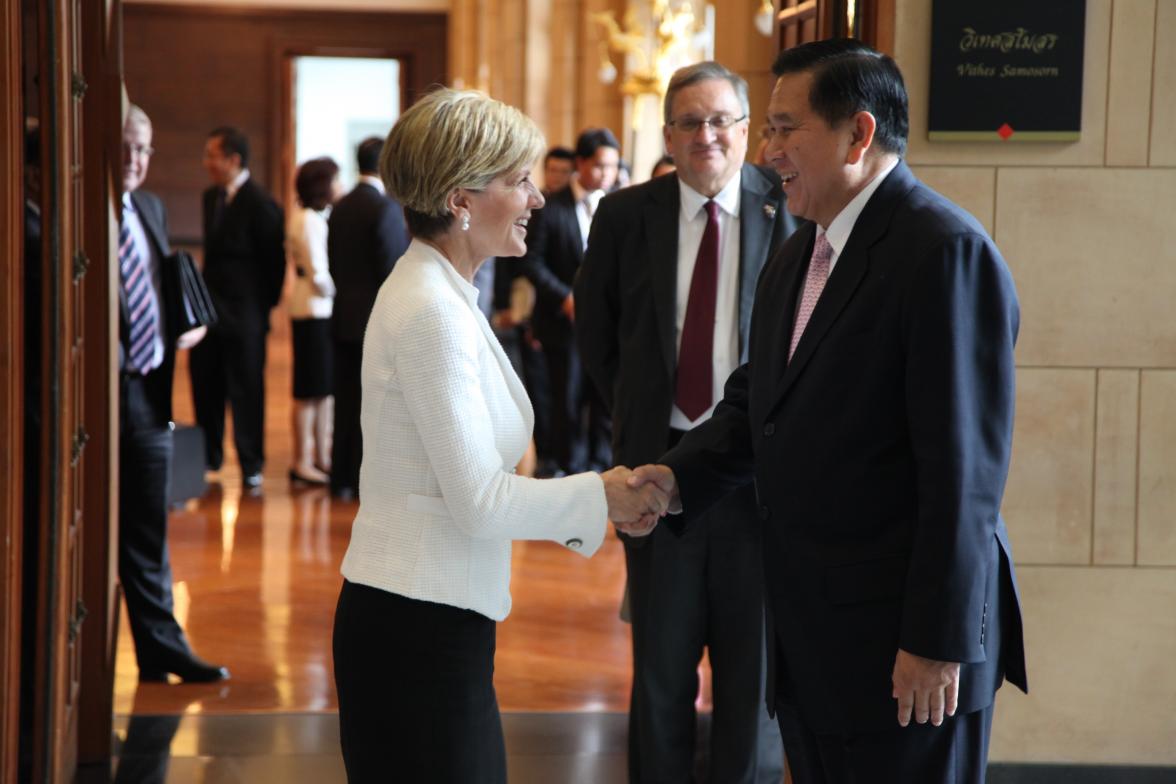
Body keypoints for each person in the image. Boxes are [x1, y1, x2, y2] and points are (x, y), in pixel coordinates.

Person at [631, 39, 1028, 783]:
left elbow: (964, 473)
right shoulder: (804, 247)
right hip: (817, 639)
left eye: (785, 129)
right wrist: (670, 480)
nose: (767, 151)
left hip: (904, 650)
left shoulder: (942, 252)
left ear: (860, 133)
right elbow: (759, 405)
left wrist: (935, 641)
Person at [331, 88, 667, 784]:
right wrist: (599, 497)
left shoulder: (447, 289)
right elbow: (478, 500)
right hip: (415, 624)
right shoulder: (431, 310)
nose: (537, 199)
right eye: (519, 181)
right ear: (460, 199)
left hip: (435, 613)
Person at [577, 61, 796, 784]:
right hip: (657, 476)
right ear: (668, 135)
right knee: (662, 670)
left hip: (759, 478)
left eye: (722, 120)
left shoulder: (790, 207)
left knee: (752, 673)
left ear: (747, 131)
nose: (707, 135)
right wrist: (640, 421)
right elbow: (598, 337)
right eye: (690, 122)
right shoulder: (623, 216)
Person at [118, 104, 228, 683]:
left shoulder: (150, 208)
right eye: (126, 146)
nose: (135, 160)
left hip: (148, 395)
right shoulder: (79, 209)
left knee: (147, 529)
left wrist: (188, 322)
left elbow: (160, 285)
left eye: (144, 149)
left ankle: (161, 649)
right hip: (92, 399)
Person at [519, 127, 620, 477]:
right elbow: (532, 262)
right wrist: (565, 297)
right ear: (581, 163)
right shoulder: (552, 207)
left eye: (611, 166)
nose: (606, 174)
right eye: (599, 165)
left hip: (609, 323)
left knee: (606, 398)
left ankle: (600, 465)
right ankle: (569, 467)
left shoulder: (620, 205)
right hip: (563, 323)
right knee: (568, 397)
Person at [190, 126, 285, 489]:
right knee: (206, 383)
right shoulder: (210, 197)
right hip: (210, 309)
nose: (207, 163)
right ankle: (209, 457)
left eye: (212, 156)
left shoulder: (261, 204)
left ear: (234, 160)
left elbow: (273, 265)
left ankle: (250, 463)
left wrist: (261, 309)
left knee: (246, 390)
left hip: (246, 313)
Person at [326, 137, 410, 501]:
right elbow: (391, 269)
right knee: (372, 404)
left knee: (345, 400)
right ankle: (363, 479)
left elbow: (332, 262)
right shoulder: (386, 208)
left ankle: (339, 477)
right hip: (374, 319)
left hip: (343, 313)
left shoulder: (341, 205)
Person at [287, 156, 342, 486]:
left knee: (323, 389)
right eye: (335, 180)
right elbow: (320, 274)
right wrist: (342, 293)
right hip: (313, 308)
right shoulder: (308, 219)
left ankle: (322, 455)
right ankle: (302, 460)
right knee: (309, 389)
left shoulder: (314, 217)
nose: (339, 186)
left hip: (318, 309)